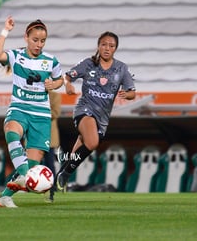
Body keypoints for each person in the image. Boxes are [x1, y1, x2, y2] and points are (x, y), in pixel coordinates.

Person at [0, 16, 64, 207]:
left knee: (32, 164)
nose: (39, 44)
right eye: (35, 40)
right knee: (11, 131)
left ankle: (5, 197)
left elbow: (60, 80)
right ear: (26, 37)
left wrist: (53, 84)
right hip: (20, 108)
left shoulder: (51, 61)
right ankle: (23, 175)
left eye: (42, 41)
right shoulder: (16, 55)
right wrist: (5, 31)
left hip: (41, 115)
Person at [55, 31, 136, 192]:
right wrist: (68, 84)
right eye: (104, 44)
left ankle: (56, 182)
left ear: (115, 49)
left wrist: (127, 94)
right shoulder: (88, 64)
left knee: (76, 154)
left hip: (102, 118)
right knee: (92, 142)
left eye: (111, 46)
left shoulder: (121, 68)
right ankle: (66, 174)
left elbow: (132, 92)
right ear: (98, 46)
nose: (107, 48)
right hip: (84, 109)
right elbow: (67, 76)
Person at [42, 90, 61, 202]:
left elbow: (56, 113)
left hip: (49, 136)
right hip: (34, 134)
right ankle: (31, 186)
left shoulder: (54, 96)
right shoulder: (31, 94)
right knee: (32, 163)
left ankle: (51, 188)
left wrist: (40, 112)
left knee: (49, 164)